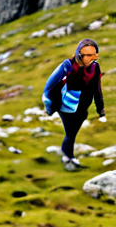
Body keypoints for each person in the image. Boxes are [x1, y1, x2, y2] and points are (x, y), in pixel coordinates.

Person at [42, 38, 106, 171]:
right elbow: (50, 84)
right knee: (70, 133)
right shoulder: (68, 65)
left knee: (72, 133)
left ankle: (67, 154)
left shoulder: (95, 68)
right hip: (66, 104)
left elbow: (97, 89)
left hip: (83, 106)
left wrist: (101, 110)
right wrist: (48, 104)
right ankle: (68, 157)